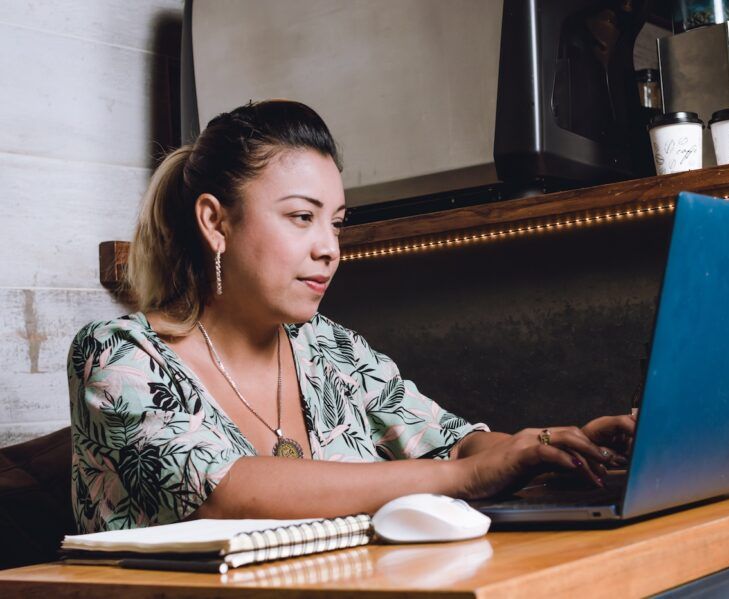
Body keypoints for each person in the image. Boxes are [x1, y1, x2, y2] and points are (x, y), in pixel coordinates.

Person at [68, 100, 635, 533]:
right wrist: (461, 479)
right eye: (300, 217)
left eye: (335, 222)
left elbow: (455, 445)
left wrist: (549, 445)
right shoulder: (119, 354)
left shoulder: (330, 350)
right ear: (216, 222)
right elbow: (225, 491)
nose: (328, 248)